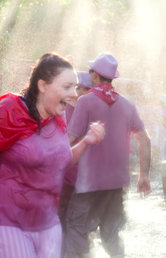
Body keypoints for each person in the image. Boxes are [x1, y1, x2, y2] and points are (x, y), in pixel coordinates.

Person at [0, 53, 104, 258]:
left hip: (49, 225)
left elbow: (59, 163)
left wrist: (86, 142)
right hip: (10, 223)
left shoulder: (58, 116)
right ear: (42, 85)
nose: (74, 94)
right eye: (67, 87)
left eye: (75, 87)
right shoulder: (9, 111)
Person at [64, 53, 151, 257]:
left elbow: (70, 138)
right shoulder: (127, 105)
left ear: (95, 76)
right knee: (111, 236)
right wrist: (143, 175)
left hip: (89, 184)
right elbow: (144, 139)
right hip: (117, 183)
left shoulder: (86, 102)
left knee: (77, 230)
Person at [59, 71, 93, 231]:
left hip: (85, 178)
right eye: (77, 87)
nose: (79, 92)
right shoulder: (60, 109)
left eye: (85, 89)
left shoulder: (94, 113)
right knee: (60, 219)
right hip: (61, 176)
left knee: (80, 224)